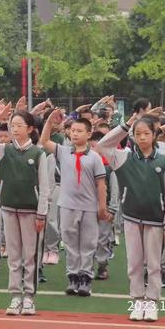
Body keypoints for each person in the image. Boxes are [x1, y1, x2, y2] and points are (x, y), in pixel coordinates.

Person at [0, 104, 48, 316]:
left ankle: (29, 297)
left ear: (30, 129)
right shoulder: (3, 149)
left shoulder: (38, 153)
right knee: (14, 255)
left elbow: (44, 187)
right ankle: (15, 296)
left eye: (19, 125)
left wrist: (41, 213)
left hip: (31, 212)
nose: (14, 129)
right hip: (8, 209)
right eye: (12, 125)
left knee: (30, 255)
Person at [96, 115, 165, 322]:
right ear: (132, 137)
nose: (142, 137)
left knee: (153, 263)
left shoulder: (163, 160)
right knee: (134, 262)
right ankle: (137, 301)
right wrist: (125, 125)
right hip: (132, 217)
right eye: (138, 134)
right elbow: (102, 145)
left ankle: (152, 302)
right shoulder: (122, 158)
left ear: (154, 136)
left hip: (155, 219)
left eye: (146, 133)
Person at [41, 110, 107, 298]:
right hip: (67, 205)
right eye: (73, 130)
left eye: (80, 131)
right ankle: (73, 277)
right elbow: (45, 141)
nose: (75, 134)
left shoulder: (94, 157)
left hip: (88, 207)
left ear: (88, 134)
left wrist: (101, 207)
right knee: (70, 242)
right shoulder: (63, 151)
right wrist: (49, 122)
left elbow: (101, 185)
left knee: (87, 243)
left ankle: (85, 278)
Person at [89, 131, 119, 281]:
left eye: (96, 147)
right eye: (92, 147)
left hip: (104, 209)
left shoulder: (110, 167)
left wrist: (112, 208)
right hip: (86, 207)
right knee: (87, 239)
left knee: (102, 239)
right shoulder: (86, 163)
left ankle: (102, 265)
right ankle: (86, 267)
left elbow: (114, 189)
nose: (93, 150)